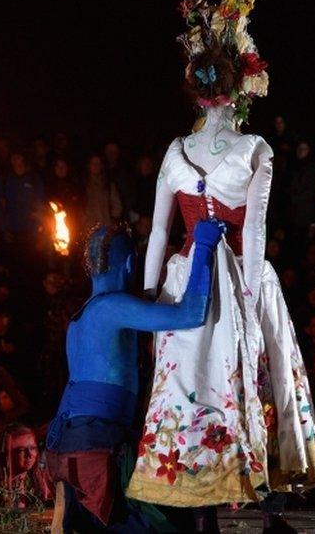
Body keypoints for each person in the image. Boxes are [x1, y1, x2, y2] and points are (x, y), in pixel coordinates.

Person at [128, 0, 315, 532]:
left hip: (184, 276)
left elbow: (158, 233)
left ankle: (204, 510)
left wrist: (150, 302)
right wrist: (249, 293)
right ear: (238, 91)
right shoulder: (254, 150)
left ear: (196, 94)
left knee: (190, 384)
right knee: (260, 376)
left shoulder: (174, 151)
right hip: (237, 272)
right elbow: (255, 231)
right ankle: (270, 509)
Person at [45, 219, 224, 533]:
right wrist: (204, 248)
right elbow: (191, 314)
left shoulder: (81, 316)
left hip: (69, 440)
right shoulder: (112, 307)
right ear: (130, 264)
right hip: (95, 440)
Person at [0, 423, 53, 508]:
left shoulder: (41, 480)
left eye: (33, 448)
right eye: (21, 450)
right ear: (6, 454)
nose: (29, 455)